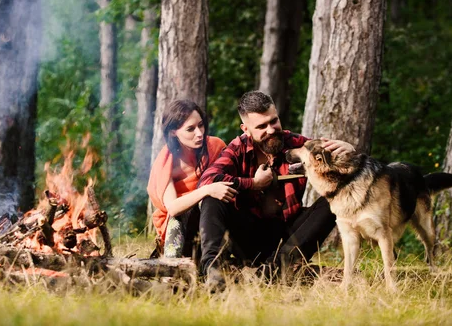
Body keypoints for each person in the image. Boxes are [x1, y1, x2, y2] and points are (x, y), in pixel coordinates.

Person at [198, 91, 354, 288]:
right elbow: (207, 180)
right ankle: (214, 272)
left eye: (273, 121)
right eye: (261, 126)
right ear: (246, 129)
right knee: (213, 194)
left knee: (338, 195)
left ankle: (272, 272)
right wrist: (252, 184)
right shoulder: (237, 149)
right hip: (247, 238)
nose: (271, 130)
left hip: (289, 239)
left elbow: (343, 167)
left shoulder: (297, 144)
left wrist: (348, 149)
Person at [147, 99, 238, 258]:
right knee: (180, 214)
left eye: (201, 125)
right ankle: (171, 268)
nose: (199, 133)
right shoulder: (167, 162)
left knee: (215, 203)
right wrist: (207, 190)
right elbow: (173, 208)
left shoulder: (216, 146)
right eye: (190, 129)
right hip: (182, 228)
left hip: (215, 221)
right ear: (173, 132)